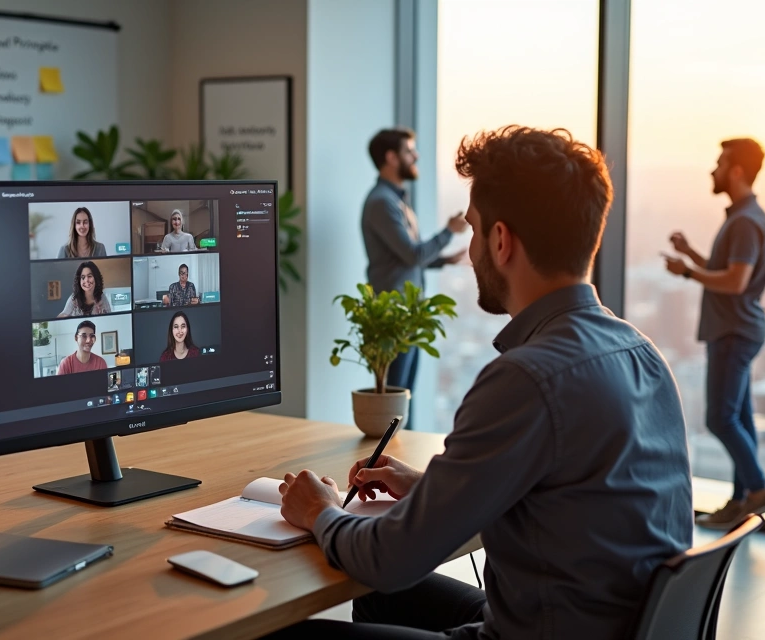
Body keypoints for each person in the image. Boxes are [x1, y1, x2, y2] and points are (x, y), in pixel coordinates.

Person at [267, 126, 692, 640]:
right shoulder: (642, 353)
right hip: (594, 624)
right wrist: (429, 491)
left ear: (500, 239)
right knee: (382, 597)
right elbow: (560, 499)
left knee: (286, 632)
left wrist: (320, 512)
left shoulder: (527, 378)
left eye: (473, 230)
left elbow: (388, 559)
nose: (469, 250)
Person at [663, 138, 765, 530]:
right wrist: (691, 254)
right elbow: (723, 269)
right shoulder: (744, 216)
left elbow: (735, 279)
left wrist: (688, 272)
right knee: (739, 419)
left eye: (719, 163)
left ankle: (759, 490)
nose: (713, 170)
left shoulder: (745, 221)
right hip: (736, 328)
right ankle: (742, 500)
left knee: (720, 419)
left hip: (733, 331)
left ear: (737, 171)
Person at [361, 128, 469, 413]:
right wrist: (449, 231)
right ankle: (385, 455)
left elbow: (404, 258)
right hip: (393, 315)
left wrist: (445, 260)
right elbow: (412, 254)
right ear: (391, 157)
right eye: (410, 151)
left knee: (404, 396)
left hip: (406, 313)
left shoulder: (395, 199)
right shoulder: (383, 202)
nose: (416, 155)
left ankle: (393, 454)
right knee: (396, 398)